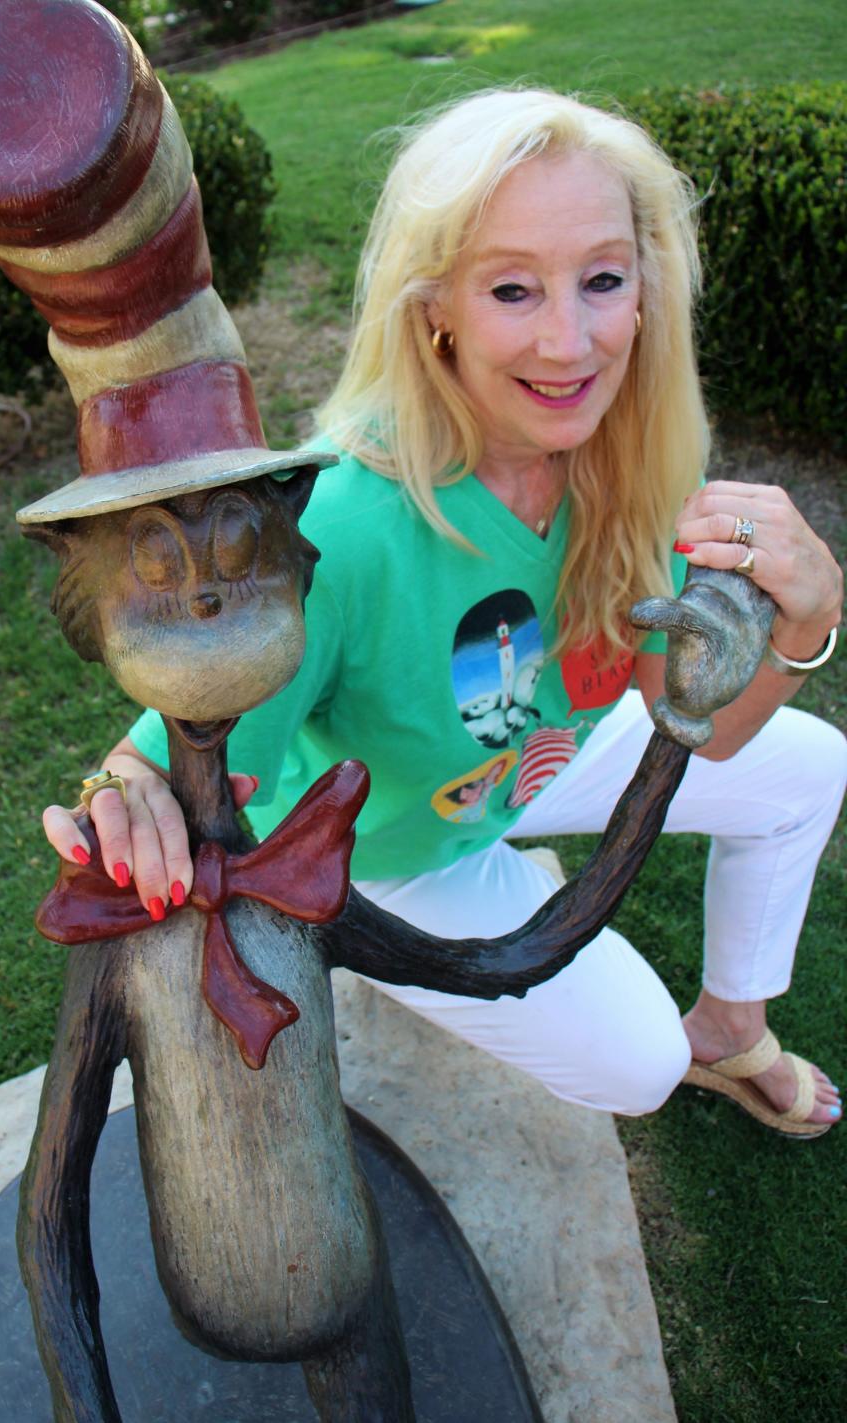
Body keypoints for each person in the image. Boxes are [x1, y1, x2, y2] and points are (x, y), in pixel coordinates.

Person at [43, 89, 845, 1136]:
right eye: (513, 288)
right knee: (638, 1065)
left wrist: (804, 629)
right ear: (437, 308)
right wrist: (128, 790)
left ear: (645, 293)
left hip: (533, 761)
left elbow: (689, 726)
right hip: (393, 858)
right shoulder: (351, 524)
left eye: (601, 279)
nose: (569, 341)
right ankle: (475, 926)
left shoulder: (633, 455)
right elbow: (170, 742)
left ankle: (733, 1028)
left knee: (812, 764)